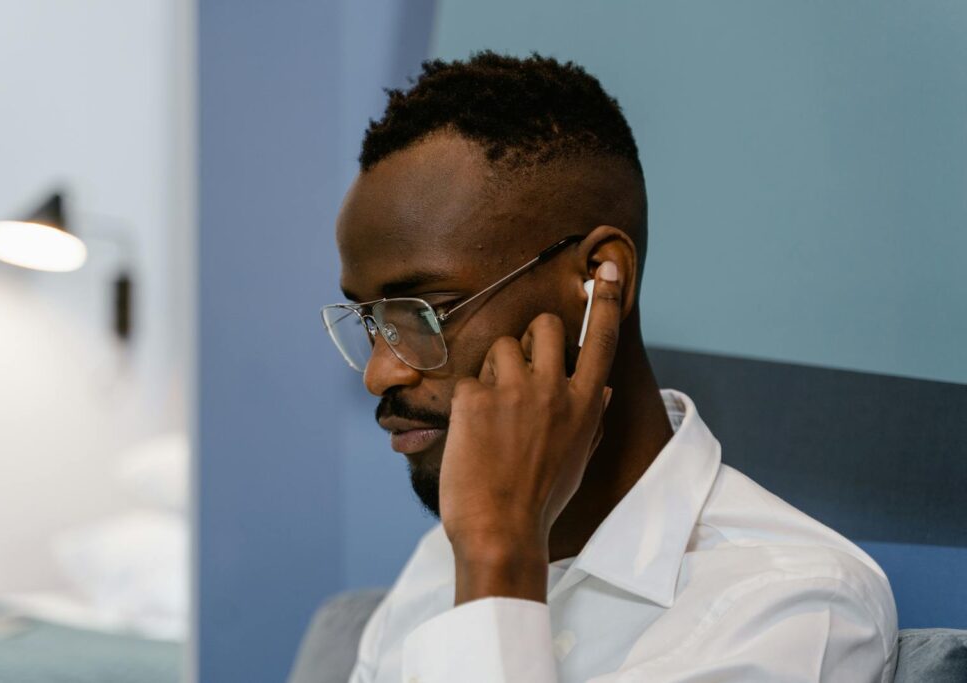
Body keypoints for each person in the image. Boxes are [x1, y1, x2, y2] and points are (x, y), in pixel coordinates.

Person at [321, 52, 897, 682]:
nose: (380, 374)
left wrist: (498, 559)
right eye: (372, 321)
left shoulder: (794, 606)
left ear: (600, 280)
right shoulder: (436, 566)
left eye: (425, 311)